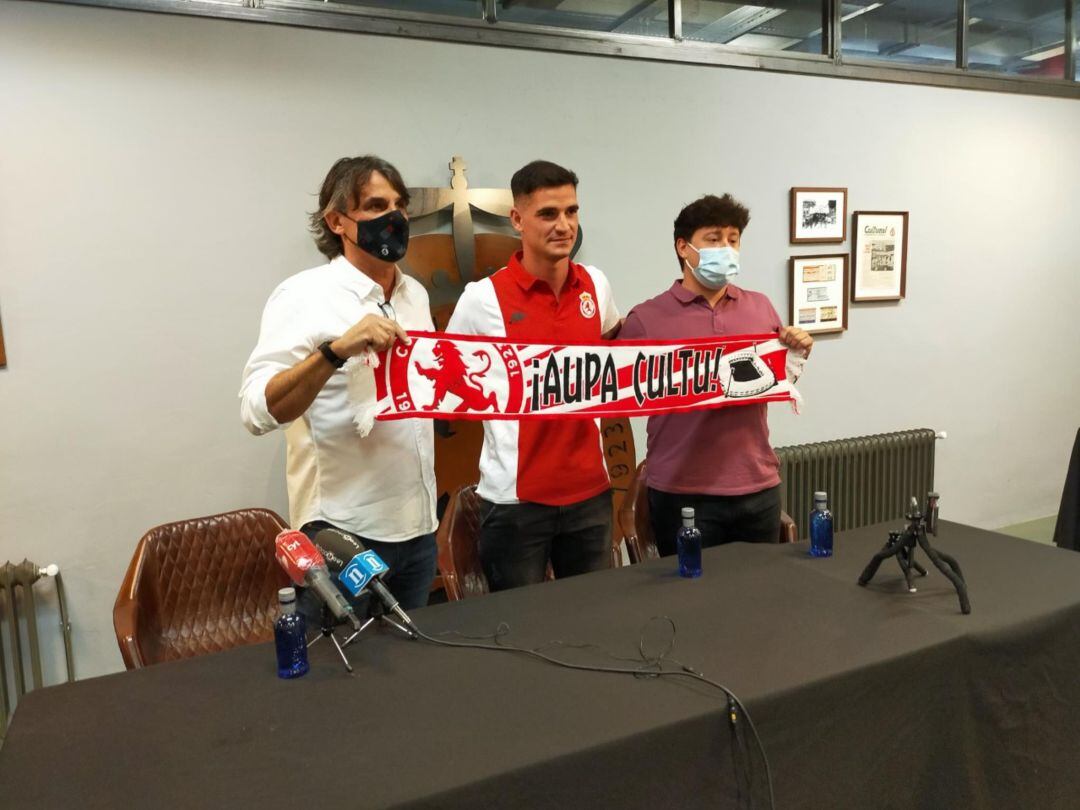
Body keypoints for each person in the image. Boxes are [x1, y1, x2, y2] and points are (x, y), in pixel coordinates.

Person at [240, 155, 437, 619]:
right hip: (344, 535)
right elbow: (255, 411)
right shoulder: (303, 296)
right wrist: (333, 353)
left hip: (419, 529)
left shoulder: (416, 295)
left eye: (399, 205)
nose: (393, 218)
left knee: (410, 676)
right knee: (343, 680)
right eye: (375, 205)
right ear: (337, 221)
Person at [446, 160, 621, 591]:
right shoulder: (481, 299)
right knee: (521, 633)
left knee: (595, 622)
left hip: (591, 494)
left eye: (572, 212)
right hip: (515, 503)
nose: (564, 225)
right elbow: (446, 375)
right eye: (548, 214)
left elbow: (613, 346)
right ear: (517, 220)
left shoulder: (596, 285)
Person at [619, 193, 813, 555]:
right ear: (683, 247)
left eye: (733, 239)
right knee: (691, 602)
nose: (726, 248)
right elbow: (613, 388)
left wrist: (795, 356)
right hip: (681, 493)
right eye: (713, 239)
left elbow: (769, 382)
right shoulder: (646, 319)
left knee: (757, 598)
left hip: (758, 486)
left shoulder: (760, 307)